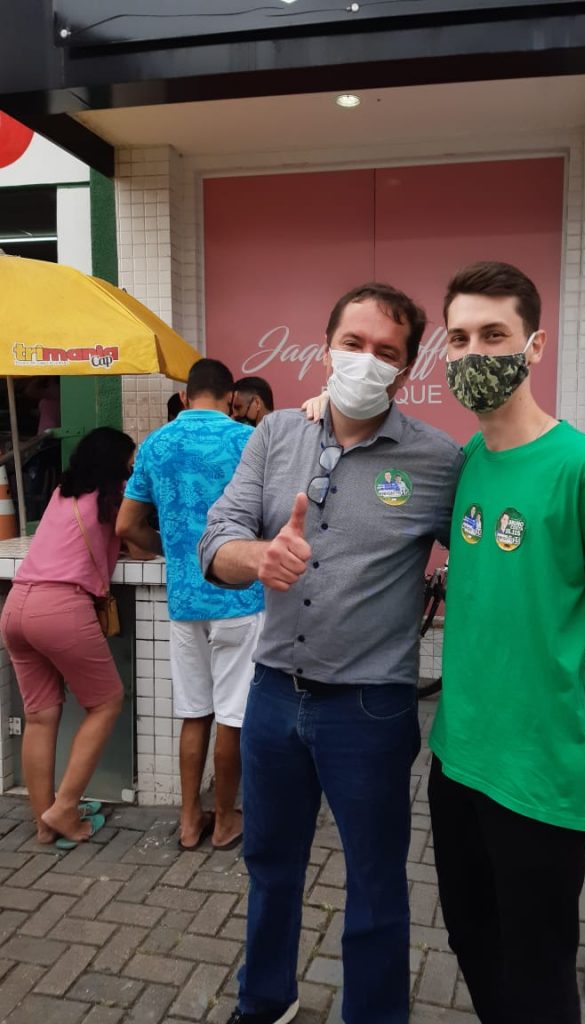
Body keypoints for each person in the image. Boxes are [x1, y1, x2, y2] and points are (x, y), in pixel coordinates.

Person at [199, 283, 463, 1024]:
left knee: (375, 884)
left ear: (405, 371)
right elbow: (215, 541)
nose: (366, 361)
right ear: (326, 349)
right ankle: (265, 1001)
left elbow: (491, 552)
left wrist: (580, 587)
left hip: (370, 709)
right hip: (274, 695)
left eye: (386, 352)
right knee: (269, 865)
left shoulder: (437, 461)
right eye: (353, 344)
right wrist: (257, 557)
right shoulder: (277, 434)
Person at [427, 261, 585, 1024]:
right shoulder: (468, 463)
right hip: (455, 763)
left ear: (534, 347)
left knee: (537, 984)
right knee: (473, 947)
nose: (475, 354)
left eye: (493, 335)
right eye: (460, 338)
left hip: (538, 781)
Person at [117, 359, 265, 851]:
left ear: (184, 397)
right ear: (232, 398)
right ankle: (223, 822)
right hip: (240, 598)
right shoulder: (248, 441)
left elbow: (126, 525)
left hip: (184, 600)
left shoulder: (156, 444)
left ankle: (187, 822)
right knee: (232, 716)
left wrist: (175, 549)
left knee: (194, 713)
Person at [0, 427, 136, 847]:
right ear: (117, 466)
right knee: (106, 702)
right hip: (60, 608)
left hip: (16, 606)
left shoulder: (63, 493)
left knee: (40, 717)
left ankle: (44, 823)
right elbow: (141, 547)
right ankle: (65, 807)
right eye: (130, 464)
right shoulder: (114, 500)